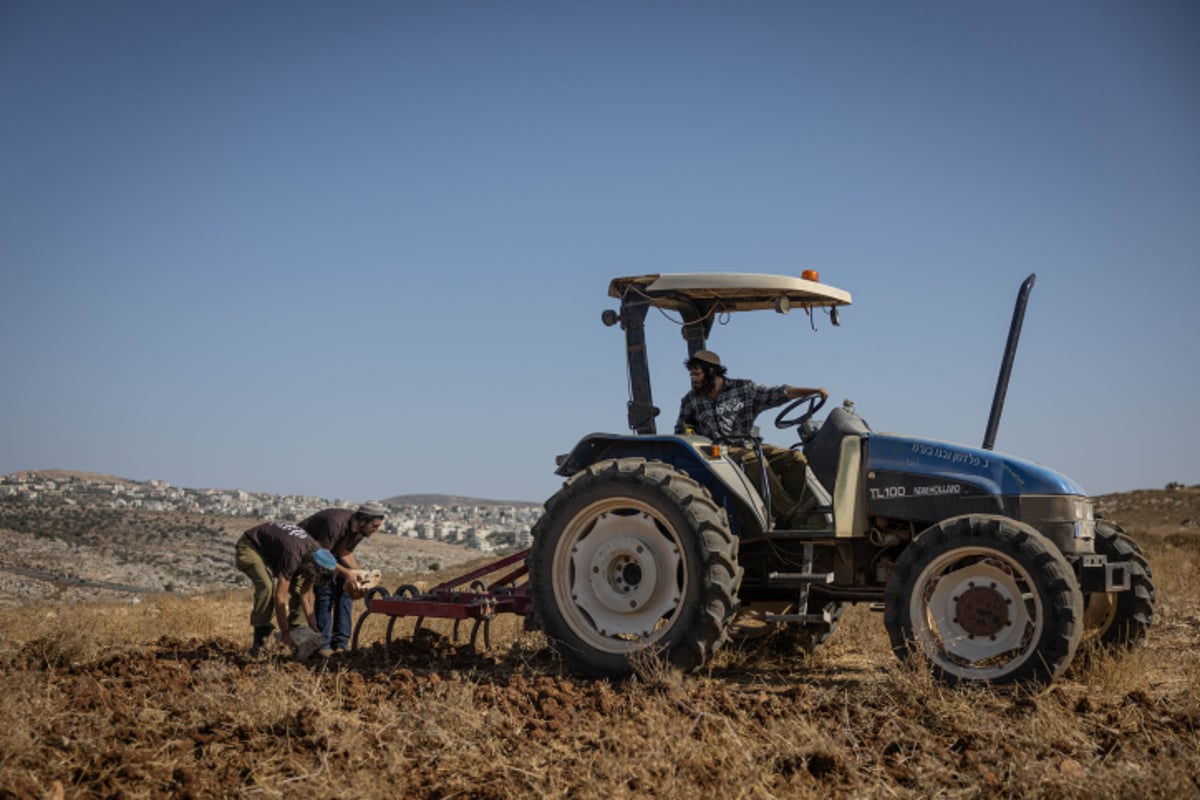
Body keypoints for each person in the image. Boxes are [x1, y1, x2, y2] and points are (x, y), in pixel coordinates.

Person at [674, 349, 828, 528]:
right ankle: (790, 513)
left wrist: (812, 391)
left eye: (696, 374)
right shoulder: (691, 400)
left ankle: (788, 514)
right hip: (718, 454)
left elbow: (779, 393)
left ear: (711, 371)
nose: (693, 379)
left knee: (794, 458)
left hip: (747, 445)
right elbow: (682, 430)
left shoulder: (744, 389)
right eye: (691, 374)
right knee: (754, 459)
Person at [234, 521, 342, 658]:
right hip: (250, 546)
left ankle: (297, 635)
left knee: (297, 589)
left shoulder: (316, 554)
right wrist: (285, 633)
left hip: (273, 550)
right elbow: (280, 598)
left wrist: (314, 630)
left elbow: (306, 596)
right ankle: (260, 642)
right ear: (312, 569)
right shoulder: (294, 556)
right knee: (266, 588)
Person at [298, 501, 387, 656]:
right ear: (364, 520)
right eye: (374, 526)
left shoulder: (360, 531)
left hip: (328, 553)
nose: (375, 530)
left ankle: (341, 642)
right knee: (326, 591)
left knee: (347, 589)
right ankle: (323, 644)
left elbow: (343, 552)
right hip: (310, 552)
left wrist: (360, 574)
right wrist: (347, 573)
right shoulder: (335, 524)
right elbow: (321, 557)